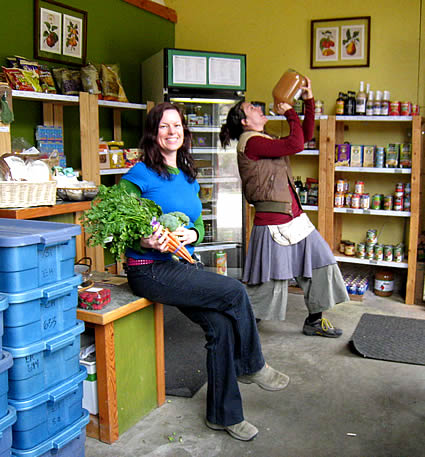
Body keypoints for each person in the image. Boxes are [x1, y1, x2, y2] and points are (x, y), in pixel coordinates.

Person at [119, 102, 290, 442]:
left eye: (178, 126)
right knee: (235, 291)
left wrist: (192, 234)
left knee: (223, 326)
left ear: (184, 132)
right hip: (150, 269)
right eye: (165, 126)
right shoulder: (137, 176)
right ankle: (252, 365)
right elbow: (119, 229)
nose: (172, 132)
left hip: (179, 266)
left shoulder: (186, 174)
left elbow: (196, 220)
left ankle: (223, 415)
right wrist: (146, 240)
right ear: (153, 133)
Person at [219, 78, 349, 338]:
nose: (258, 108)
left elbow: (304, 137)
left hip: (293, 217)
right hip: (272, 222)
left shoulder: (262, 138)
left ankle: (314, 321)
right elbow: (295, 144)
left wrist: (308, 101)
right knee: (269, 280)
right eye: (251, 108)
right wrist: (289, 111)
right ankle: (244, 327)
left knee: (321, 262)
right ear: (244, 121)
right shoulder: (251, 142)